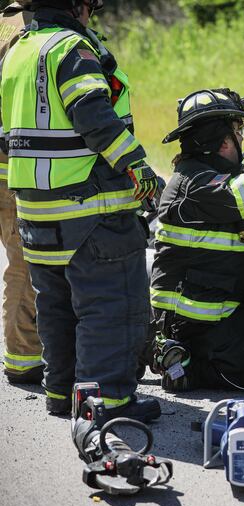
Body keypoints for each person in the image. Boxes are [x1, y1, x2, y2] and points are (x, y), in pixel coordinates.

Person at [0, 0, 160, 421]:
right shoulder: (70, 48)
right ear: (77, 5)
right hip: (90, 210)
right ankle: (108, 402)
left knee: (56, 307)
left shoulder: (18, 51)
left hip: (34, 212)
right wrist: (137, 166)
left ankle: (62, 394)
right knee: (111, 306)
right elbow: (94, 115)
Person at [150, 88, 244, 391]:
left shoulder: (209, 176)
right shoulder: (193, 183)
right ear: (224, 141)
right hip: (195, 325)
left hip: (220, 309)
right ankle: (183, 365)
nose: (243, 140)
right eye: (239, 132)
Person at [0, 0, 43, 384]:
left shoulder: (5, 23)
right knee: (25, 265)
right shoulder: (27, 30)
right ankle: (24, 358)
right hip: (12, 170)